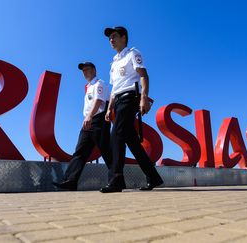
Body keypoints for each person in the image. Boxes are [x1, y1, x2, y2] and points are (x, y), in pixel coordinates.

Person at [100, 26, 164, 193]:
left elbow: (143, 75)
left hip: (130, 97)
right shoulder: (113, 63)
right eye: (109, 38)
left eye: (114, 36)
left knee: (115, 137)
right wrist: (109, 109)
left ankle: (116, 180)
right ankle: (154, 177)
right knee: (133, 142)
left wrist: (143, 98)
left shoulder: (132, 53)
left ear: (123, 37)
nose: (111, 40)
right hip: (119, 100)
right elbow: (114, 88)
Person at [52, 62, 112, 191]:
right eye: (83, 71)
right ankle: (70, 181)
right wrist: (87, 118)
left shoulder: (99, 83)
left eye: (88, 69)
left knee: (106, 151)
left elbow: (99, 101)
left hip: (99, 120)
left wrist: (89, 116)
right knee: (80, 152)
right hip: (88, 121)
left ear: (94, 70)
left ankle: (117, 179)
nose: (85, 72)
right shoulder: (88, 86)